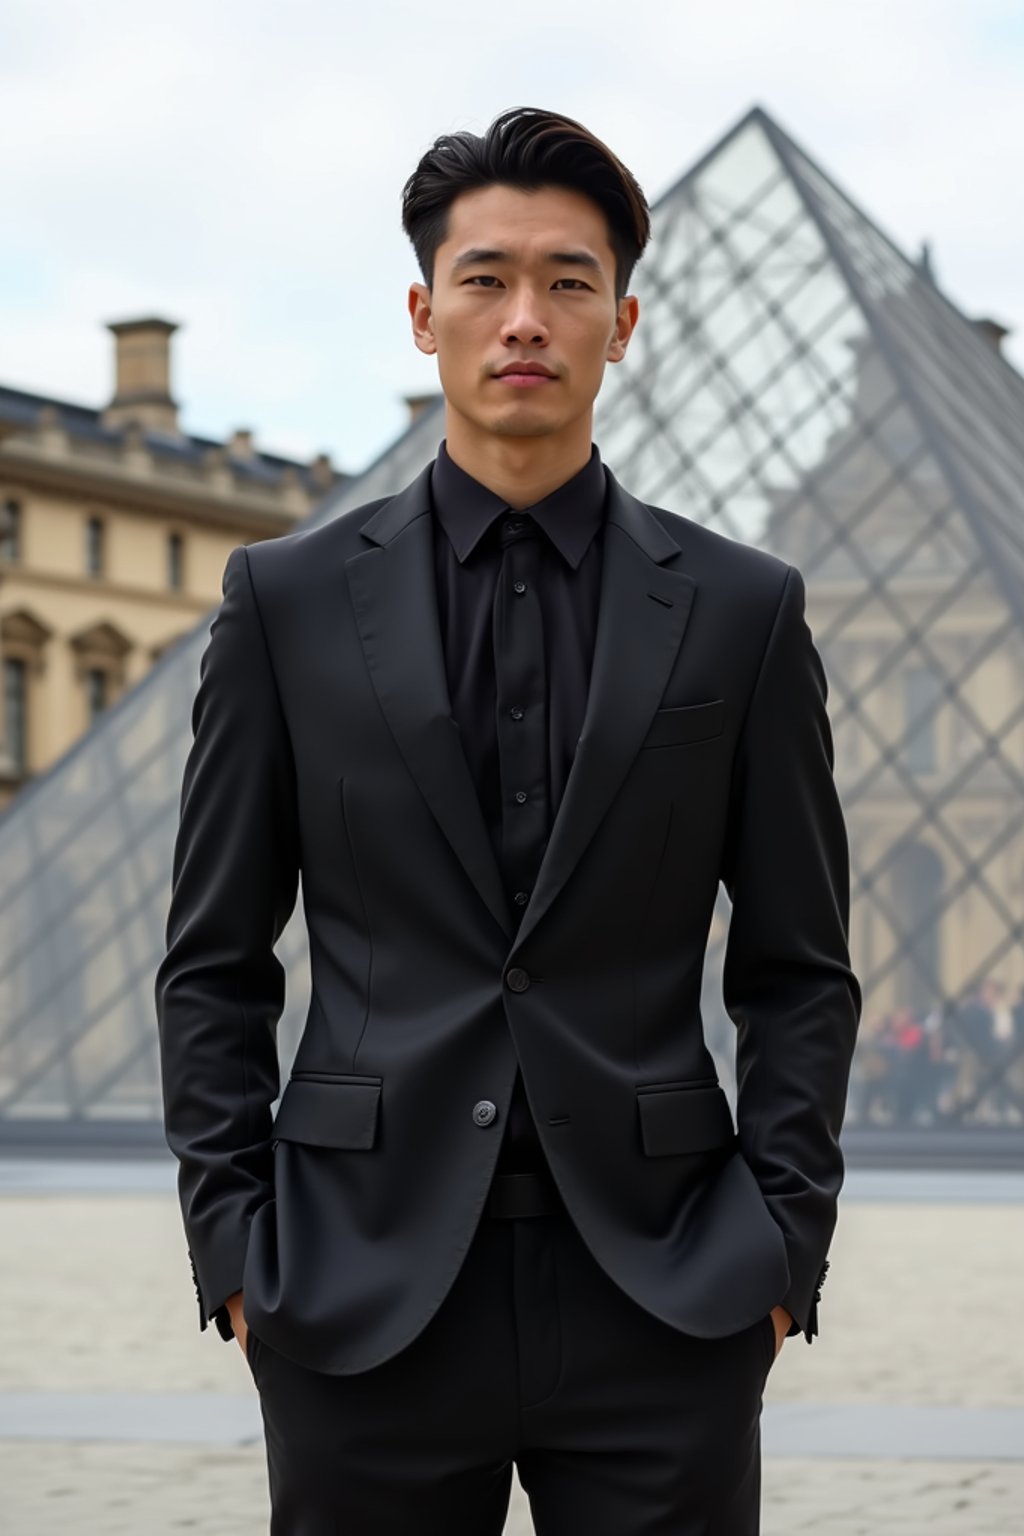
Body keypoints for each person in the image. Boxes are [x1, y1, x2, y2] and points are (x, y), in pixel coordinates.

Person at [155, 104, 862, 1535]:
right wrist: (235, 1244)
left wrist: (782, 1248)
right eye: (485, 279)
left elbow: (800, 968)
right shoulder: (282, 604)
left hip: (668, 1293)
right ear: (425, 316)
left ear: (626, 319)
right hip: (355, 1290)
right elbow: (214, 957)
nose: (524, 317)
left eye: (569, 281)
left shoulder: (744, 612)